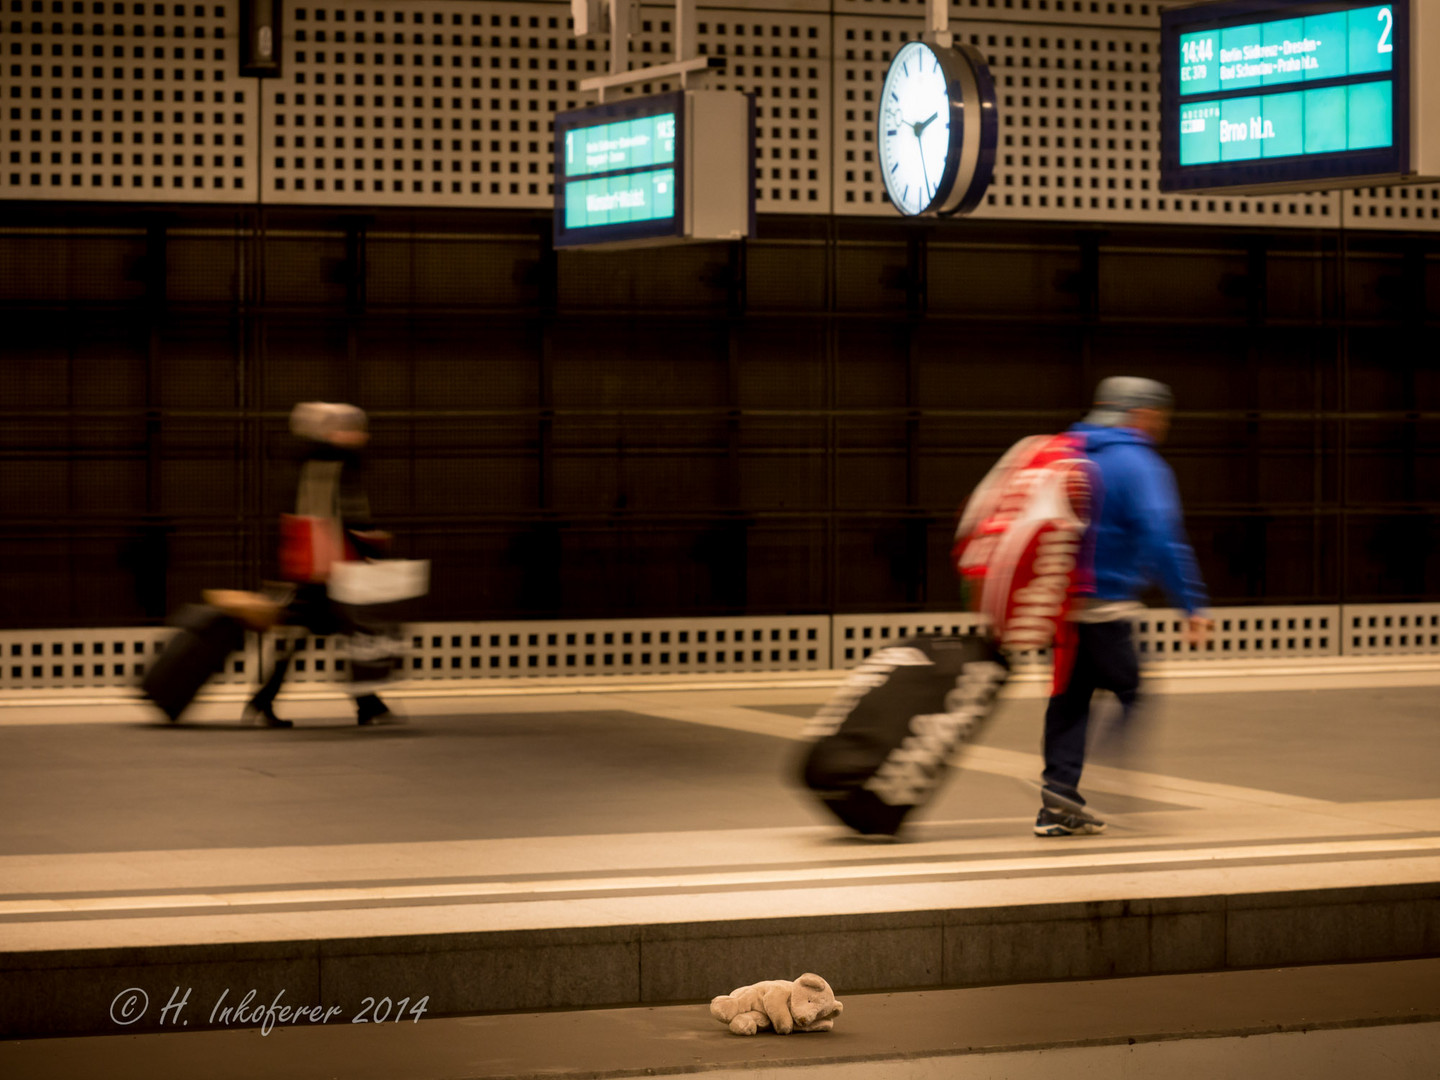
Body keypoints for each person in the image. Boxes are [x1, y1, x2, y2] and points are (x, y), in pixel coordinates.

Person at [1035, 376, 1211, 837]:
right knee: (1131, 688)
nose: (1163, 425)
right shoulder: (1138, 463)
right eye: (1161, 416)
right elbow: (1160, 536)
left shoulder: (1066, 450)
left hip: (1060, 607)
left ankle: (1058, 801)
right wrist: (1191, 603)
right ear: (1143, 414)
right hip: (1105, 605)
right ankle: (1108, 773)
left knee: (1070, 700)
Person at [244, 402, 395, 728]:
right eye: (352, 428)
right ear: (332, 432)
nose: (360, 435)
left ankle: (264, 700)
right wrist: (373, 545)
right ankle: (367, 704)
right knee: (352, 633)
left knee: (309, 636)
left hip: (309, 566)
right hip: (328, 568)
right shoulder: (334, 463)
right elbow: (347, 514)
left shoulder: (306, 462)